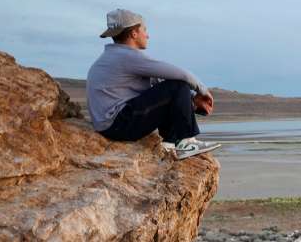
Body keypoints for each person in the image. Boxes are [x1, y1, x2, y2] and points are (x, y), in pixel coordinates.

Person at [86, 9, 220, 160]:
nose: (147, 35)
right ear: (134, 33)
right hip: (118, 125)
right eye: (144, 30)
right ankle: (186, 142)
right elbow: (181, 75)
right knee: (178, 85)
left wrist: (192, 100)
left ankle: (170, 143)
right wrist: (202, 90)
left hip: (111, 125)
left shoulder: (114, 57)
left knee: (174, 88)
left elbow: (158, 85)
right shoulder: (127, 57)